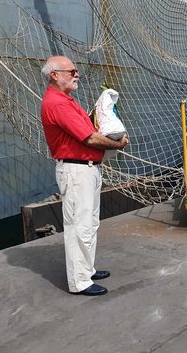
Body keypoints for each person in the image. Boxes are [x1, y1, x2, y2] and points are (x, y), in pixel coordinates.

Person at [40, 56, 129, 296]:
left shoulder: (66, 101)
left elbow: (89, 127)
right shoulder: (58, 104)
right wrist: (118, 143)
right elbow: (89, 138)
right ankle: (80, 282)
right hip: (76, 170)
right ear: (54, 75)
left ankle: (86, 270)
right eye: (72, 71)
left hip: (86, 168)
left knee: (89, 223)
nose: (76, 74)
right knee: (79, 226)